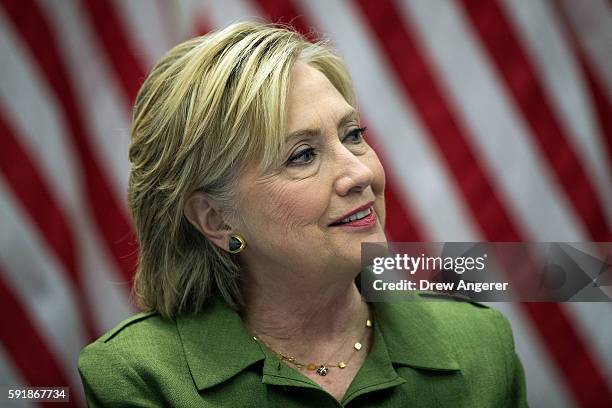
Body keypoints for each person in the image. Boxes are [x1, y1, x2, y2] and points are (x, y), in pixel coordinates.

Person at [78, 21, 527, 407]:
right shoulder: (138, 378)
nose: (359, 172)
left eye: (352, 135)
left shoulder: (482, 344)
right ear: (216, 219)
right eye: (302, 156)